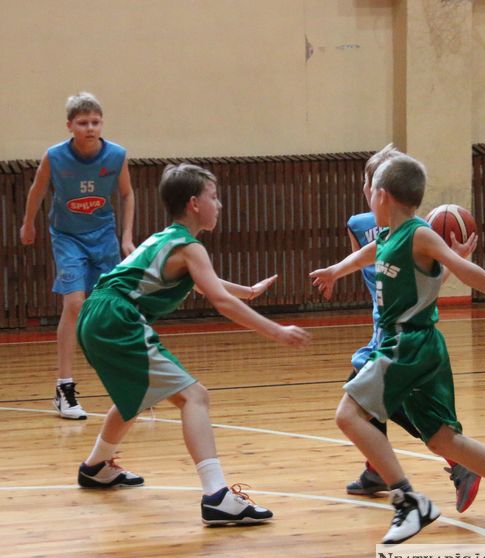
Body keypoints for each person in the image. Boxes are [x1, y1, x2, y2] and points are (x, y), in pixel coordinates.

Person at [310, 153, 485, 546]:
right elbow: (369, 254)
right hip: (420, 348)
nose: (367, 197)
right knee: (444, 440)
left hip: (405, 344)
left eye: (370, 191)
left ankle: (409, 501)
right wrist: (336, 270)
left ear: (381, 195)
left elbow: (468, 271)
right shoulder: (390, 235)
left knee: (348, 416)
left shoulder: (419, 234)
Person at [76, 163, 311, 525]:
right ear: (194, 204)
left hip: (97, 313)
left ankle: (95, 467)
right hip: (116, 317)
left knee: (136, 394)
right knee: (194, 396)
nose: (219, 204)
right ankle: (217, 496)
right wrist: (276, 331)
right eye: (213, 197)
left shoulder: (168, 239)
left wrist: (248, 291)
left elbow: (206, 282)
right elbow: (219, 300)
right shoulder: (190, 246)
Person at [345, 146, 481, 514]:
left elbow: (373, 269)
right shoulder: (410, 227)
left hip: (396, 332)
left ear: (377, 189)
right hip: (394, 326)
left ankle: (454, 462)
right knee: (372, 393)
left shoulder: (362, 225)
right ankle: (377, 469)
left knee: (374, 398)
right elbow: (425, 279)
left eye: (367, 183)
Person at [20, 92, 136, 420]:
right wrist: (28, 223)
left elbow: (127, 194)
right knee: (74, 304)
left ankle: (129, 382)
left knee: (110, 309)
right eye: (83, 123)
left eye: (95, 122)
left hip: (103, 238)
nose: (90, 128)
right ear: (70, 126)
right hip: (67, 237)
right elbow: (37, 190)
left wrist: (126, 237)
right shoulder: (55, 156)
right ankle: (64, 388)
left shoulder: (116, 155)